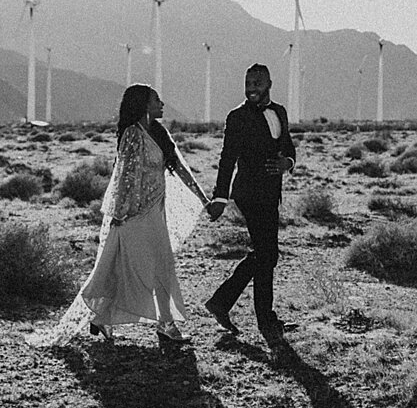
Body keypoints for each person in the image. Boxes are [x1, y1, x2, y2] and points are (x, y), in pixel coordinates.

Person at [53, 83, 209, 351]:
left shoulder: (160, 133)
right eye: (157, 100)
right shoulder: (132, 135)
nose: (162, 104)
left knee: (161, 267)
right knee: (121, 267)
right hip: (133, 215)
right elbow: (124, 178)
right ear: (145, 105)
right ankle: (105, 317)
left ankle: (164, 324)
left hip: (155, 211)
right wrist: (120, 213)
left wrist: (203, 198)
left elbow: (179, 168)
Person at [204, 64, 296, 340]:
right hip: (248, 193)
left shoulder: (279, 112)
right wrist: (220, 197)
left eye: (257, 82)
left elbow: (288, 145)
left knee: (265, 255)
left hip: (271, 193)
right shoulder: (237, 117)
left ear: (269, 83)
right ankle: (266, 321)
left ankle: (223, 303)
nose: (252, 87)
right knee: (267, 254)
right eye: (248, 83)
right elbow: (227, 158)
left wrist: (287, 162)